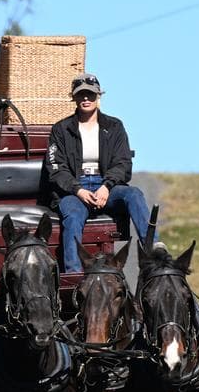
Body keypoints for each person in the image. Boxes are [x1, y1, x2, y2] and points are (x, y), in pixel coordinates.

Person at [44, 73, 152, 273]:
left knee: (134, 194)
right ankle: (74, 274)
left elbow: (123, 163)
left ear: (98, 97)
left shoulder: (114, 126)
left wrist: (106, 186)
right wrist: (78, 191)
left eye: (91, 95)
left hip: (105, 185)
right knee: (73, 215)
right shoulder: (61, 129)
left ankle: (154, 253)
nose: (86, 99)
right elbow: (56, 168)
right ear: (74, 98)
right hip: (75, 190)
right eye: (81, 95)